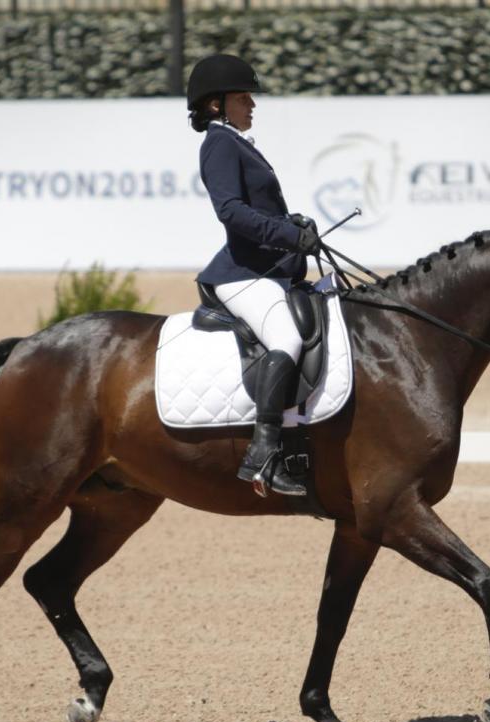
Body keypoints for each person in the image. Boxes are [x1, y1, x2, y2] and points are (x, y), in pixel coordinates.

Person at [186, 53, 322, 497]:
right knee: (288, 339)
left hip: (268, 270)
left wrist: (294, 225)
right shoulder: (220, 143)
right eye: (244, 98)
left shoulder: (238, 142)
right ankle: (263, 455)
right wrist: (287, 234)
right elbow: (230, 212)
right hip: (242, 273)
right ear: (215, 105)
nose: (252, 105)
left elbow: (262, 209)